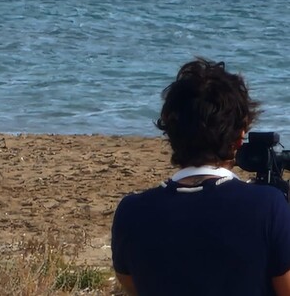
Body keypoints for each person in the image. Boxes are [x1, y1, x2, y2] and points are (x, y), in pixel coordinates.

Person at [111, 58, 290, 296]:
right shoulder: (268, 207)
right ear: (239, 137)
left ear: (171, 133)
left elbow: (134, 286)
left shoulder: (131, 213)